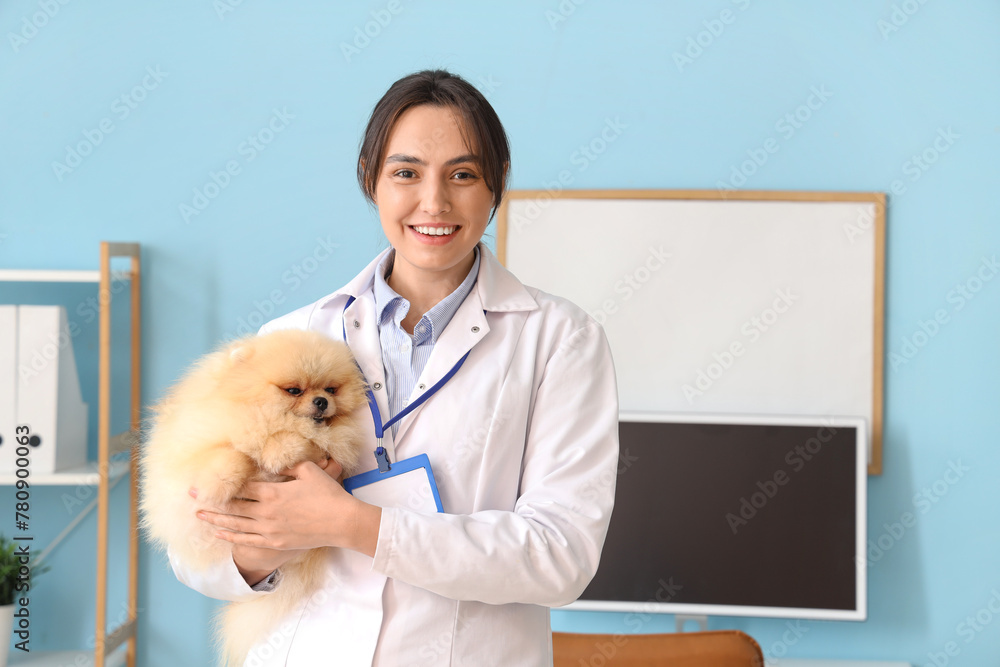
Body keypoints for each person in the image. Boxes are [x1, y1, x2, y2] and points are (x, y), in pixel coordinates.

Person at [173, 69, 619, 666]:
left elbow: (560, 557)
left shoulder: (561, 340)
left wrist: (355, 525)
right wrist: (266, 545)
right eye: (405, 173)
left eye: (462, 175)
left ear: (497, 186)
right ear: (370, 179)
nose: (433, 202)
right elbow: (194, 552)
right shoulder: (290, 339)